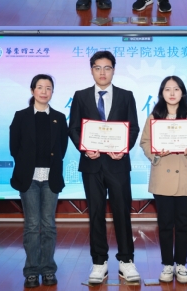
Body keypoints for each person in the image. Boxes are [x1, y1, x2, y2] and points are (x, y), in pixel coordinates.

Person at [68, 51, 141, 284]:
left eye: (107, 68)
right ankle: (99, 262)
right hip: (91, 164)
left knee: (122, 212)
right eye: (98, 68)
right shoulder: (80, 96)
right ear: (91, 70)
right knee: (96, 213)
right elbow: (73, 128)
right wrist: (84, 148)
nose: (102, 72)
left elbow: (133, 128)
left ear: (114, 70)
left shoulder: (126, 96)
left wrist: (124, 149)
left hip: (118, 164)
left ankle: (126, 260)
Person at [140, 76, 187, 284]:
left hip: (185, 175)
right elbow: (145, 142)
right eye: (167, 89)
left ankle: (181, 264)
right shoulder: (154, 117)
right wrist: (156, 154)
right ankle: (167, 264)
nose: (172, 93)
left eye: (176, 89)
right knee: (165, 223)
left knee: (184, 222)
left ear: (182, 92)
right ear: (162, 93)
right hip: (162, 176)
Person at [9, 75, 68, 288]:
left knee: (49, 225)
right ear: (32, 90)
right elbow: (14, 147)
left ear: (52, 92)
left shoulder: (59, 117)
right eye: (40, 87)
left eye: (48, 88)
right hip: (29, 178)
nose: (44, 91)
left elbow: (62, 147)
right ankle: (32, 271)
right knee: (32, 225)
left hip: (51, 177)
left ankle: (48, 269)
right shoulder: (21, 116)